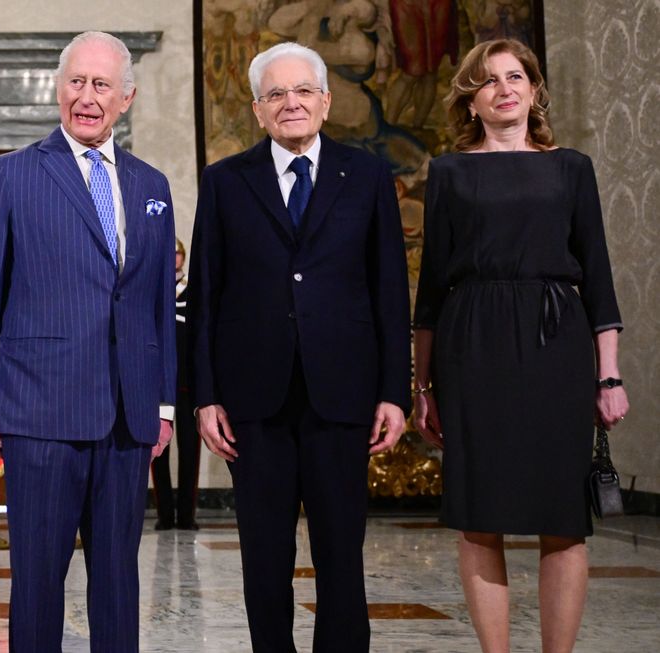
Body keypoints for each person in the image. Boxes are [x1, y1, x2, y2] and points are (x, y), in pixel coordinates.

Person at [189, 41, 411, 652]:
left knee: (342, 553)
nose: (292, 103)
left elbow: (390, 290)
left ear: (326, 102)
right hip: (253, 401)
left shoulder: (366, 176)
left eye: (304, 91)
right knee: (264, 557)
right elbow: (206, 295)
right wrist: (205, 396)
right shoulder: (225, 181)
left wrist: (394, 392)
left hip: (343, 395)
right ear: (258, 110)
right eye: (276, 94)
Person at [0, 31, 176, 653]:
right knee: (36, 582)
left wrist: (163, 404)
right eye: (76, 82)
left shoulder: (153, 185)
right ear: (58, 89)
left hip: (128, 415)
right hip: (38, 409)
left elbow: (158, 304)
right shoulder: (11, 176)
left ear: (126, 98)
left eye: (101, 85)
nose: (87, 97)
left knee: (118, 581)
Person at [412, 39, 629, 653]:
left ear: (534, 89)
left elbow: (599, 278)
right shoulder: (449, 172)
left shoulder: (572, 168)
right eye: (488, 80)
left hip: (556, 345)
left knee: (563, 519)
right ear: (471, 101)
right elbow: (431, 289)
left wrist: (609, 376)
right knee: (479, 517)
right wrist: (423, 385)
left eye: (515, 77)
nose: (504, 89)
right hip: (471, 347)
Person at [151, 238, 201, 531]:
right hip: (159, 384)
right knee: (158, 451)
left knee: (190, 451)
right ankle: (164, 514)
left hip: (187, 385)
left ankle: (186, 515)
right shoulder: (156, 288)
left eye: (178, 254)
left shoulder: (192, 290)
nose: (174, 259)